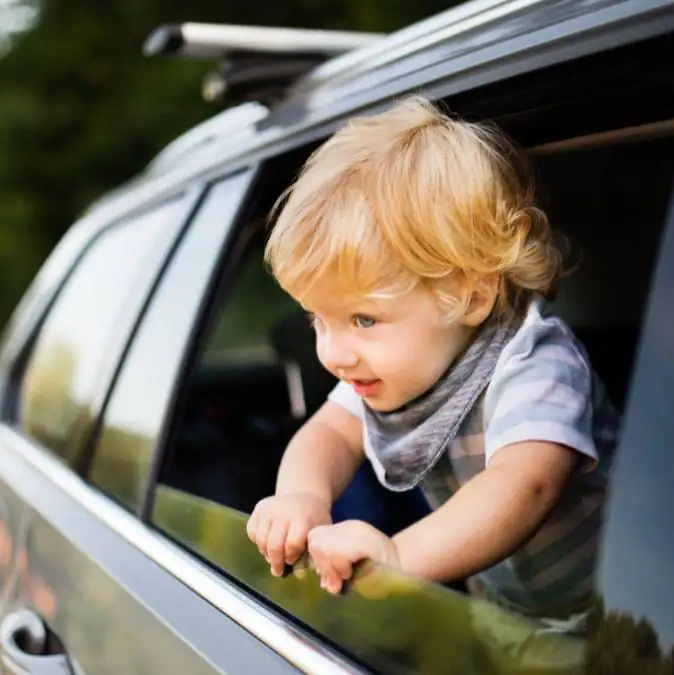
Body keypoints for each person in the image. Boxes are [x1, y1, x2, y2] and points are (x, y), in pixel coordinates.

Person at [245, 94, 619, 620]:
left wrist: (400, 556)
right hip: (503, 610)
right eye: (316, 320)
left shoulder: (536, 364)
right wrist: (302, 497)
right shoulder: (384, 370)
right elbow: (328, 433)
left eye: (364, 320)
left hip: (610, 617)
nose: (332, 354)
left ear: (471, 296)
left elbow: (525, 483)